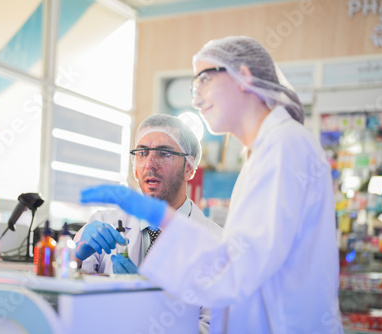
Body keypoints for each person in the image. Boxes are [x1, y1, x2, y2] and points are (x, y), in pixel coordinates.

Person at [80, 36, 342, 333]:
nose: (196, 99)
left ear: (243, 76)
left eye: (203, 80)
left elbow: (236, 271)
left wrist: (160, 218)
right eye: (142, 153)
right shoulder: (266, 151)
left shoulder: (283, 146)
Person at [74, 114, 223, 334]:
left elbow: (212, 326)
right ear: (135, 167)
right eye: (142, 153)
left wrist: (147, 302)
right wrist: (76, 256)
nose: (150, 164)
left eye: (164, 153)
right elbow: (68, 295)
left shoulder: (217, 244)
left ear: (189, 168)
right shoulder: (103, 222)